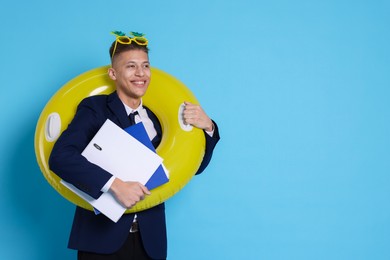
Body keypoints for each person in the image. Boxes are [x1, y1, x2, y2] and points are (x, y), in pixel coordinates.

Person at [49, 31, 220, 260]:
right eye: (131, 66)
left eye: (145, 66)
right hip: (101, 241)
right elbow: (60, 157)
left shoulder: (159, 121)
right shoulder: (95, 108)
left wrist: (208, 127)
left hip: (149, 242)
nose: (140, 74)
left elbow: (194, 168)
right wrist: (114, 185)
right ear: (113, 73)